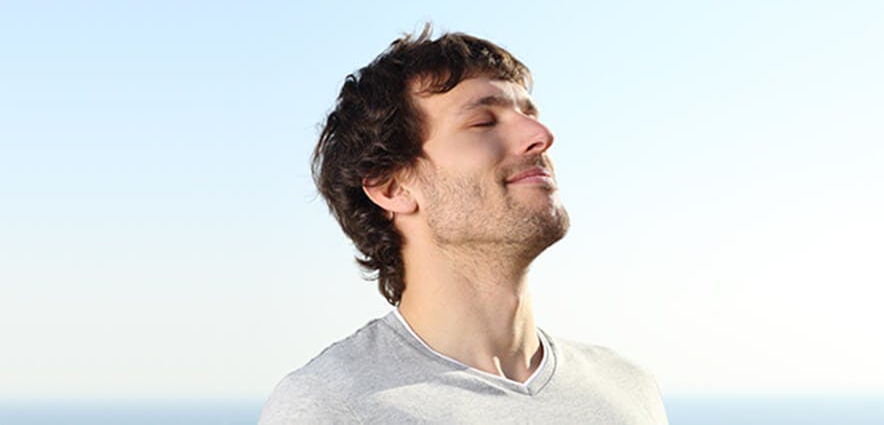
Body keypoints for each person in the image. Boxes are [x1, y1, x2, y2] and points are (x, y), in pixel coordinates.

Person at [258, 25, 669, 424]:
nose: (540, 135)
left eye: (530, 114)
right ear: (392, 187)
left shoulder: (628, 389)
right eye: (483, 122)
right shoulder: (333, 406)